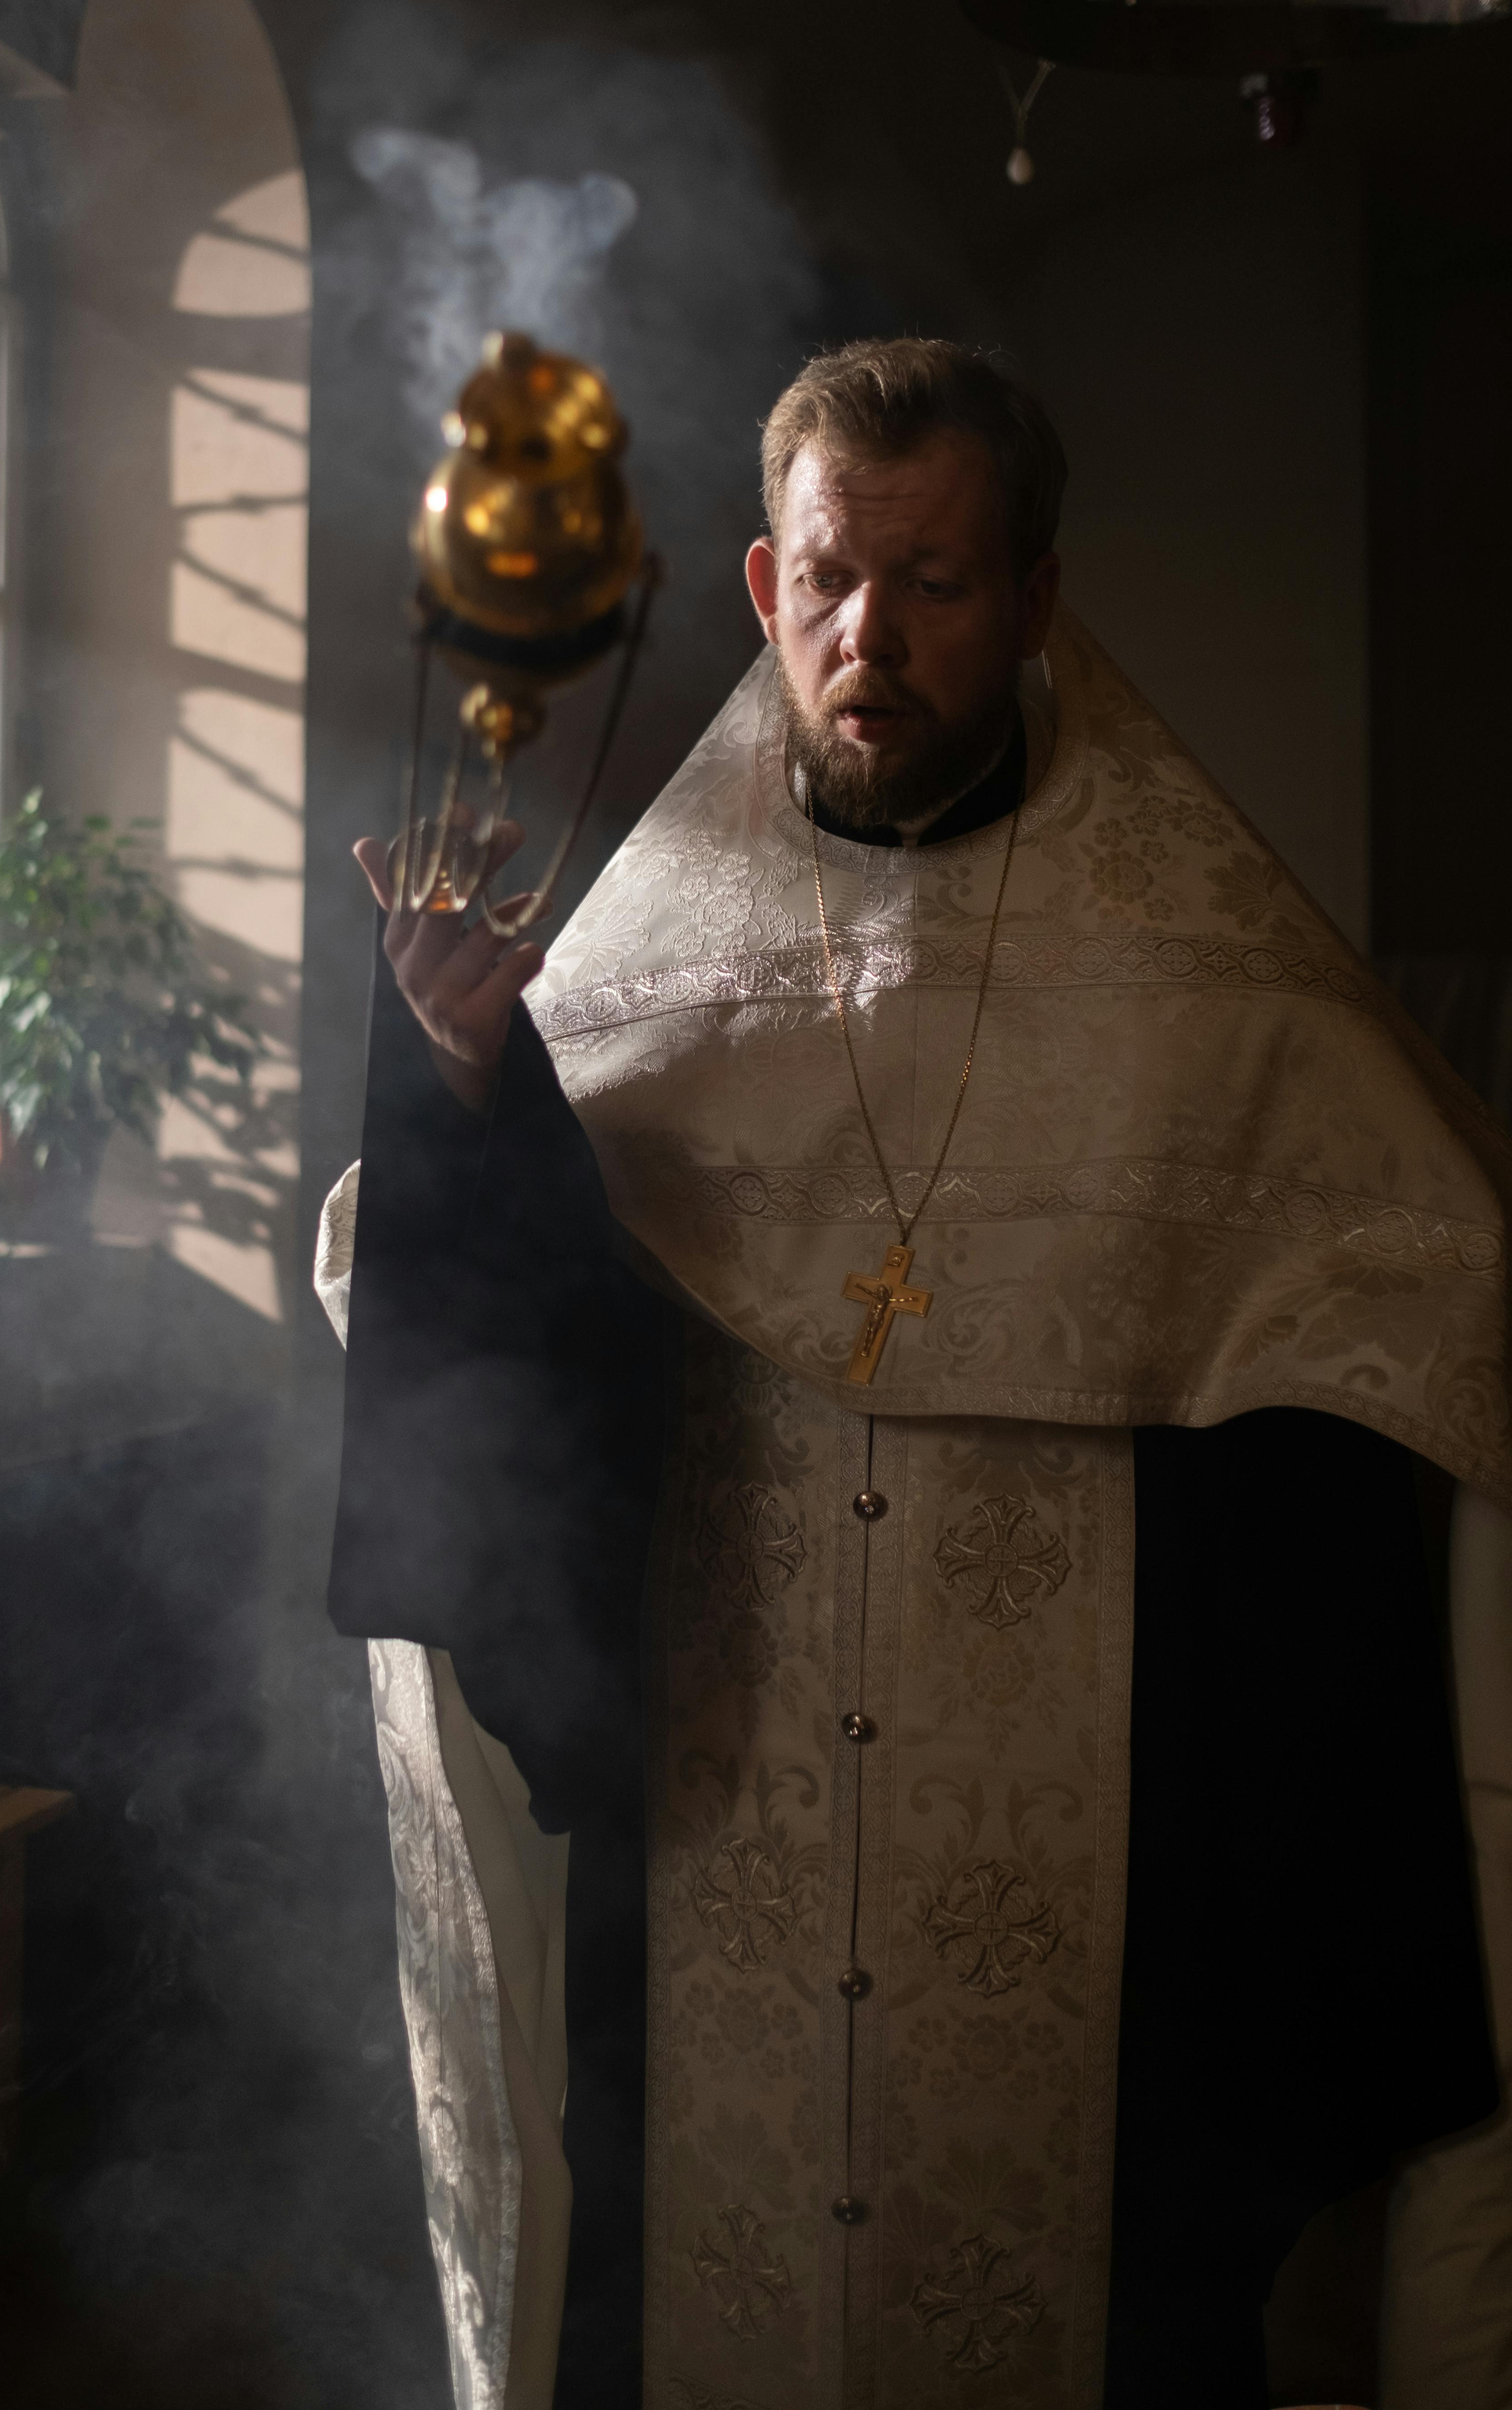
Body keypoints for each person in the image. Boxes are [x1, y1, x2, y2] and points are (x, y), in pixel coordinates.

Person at [317, 337, 1510, 2410]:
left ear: (1037, 603)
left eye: (939, 582)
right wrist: (460, 1091)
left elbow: (1422, 1300)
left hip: (1098, 1914)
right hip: (721, 1859)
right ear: (771, 594)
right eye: (833, 579)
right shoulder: (637, 969)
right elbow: (519, 1397)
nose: (873, 635)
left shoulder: (1224, 999)